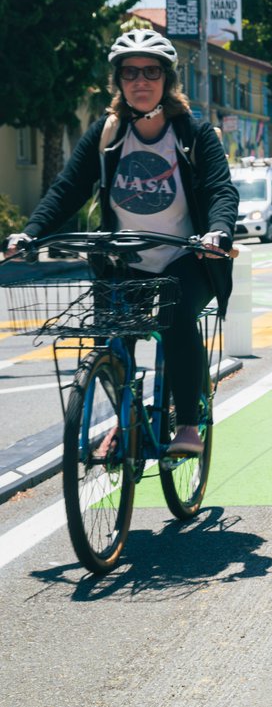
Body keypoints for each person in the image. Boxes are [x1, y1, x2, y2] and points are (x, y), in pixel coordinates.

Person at [4, 29, 238, 456]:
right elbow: (67, 189)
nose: (141, 81)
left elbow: (221, 191)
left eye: (151, 72)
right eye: (130, 73)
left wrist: (218, 232)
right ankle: (123, 421)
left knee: (177, 319)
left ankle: (188, 424)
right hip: (121, 259)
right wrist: (30, 233)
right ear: (118, 82)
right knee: (107, 341)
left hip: (185, 257)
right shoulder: (107, 134)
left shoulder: (193, 134)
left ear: (167, 80)